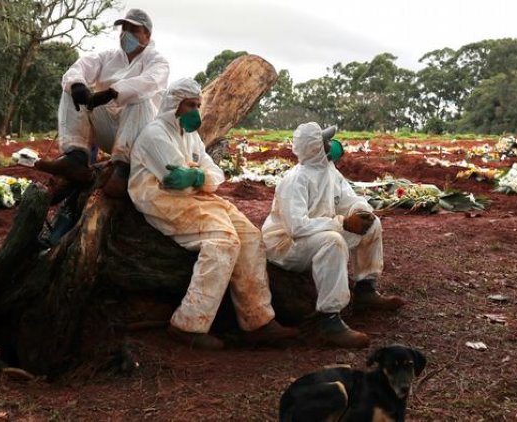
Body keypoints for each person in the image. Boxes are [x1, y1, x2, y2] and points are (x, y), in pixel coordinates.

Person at [128, 78, 298, 350]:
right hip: (160, 199)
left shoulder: (190, 136)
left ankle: (257, 320)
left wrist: (196, 175)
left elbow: (217, 176)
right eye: (189, 105)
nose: (195, 110)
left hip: (196, 197)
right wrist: (200, 177)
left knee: (251, 237)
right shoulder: (155, 135)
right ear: (174, 105)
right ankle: (188, 324)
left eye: (198, 104)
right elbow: (176, 184)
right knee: (223, 242)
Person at [262, 122, 405, 349]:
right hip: (285, 246)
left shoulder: (329, 171)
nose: (332, 145)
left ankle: (365, 288)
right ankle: (329, 320)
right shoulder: (295, 180)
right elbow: (297, 228)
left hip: (317, 232)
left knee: (372, 224)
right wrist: (342, 223)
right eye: (326, 141)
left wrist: (361, 212)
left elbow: (349, 199)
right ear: (315, 148)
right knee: (333, 241)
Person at [35, 8, 170, 198]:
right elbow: (79, 68)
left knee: (140, 98)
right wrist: (78, 85)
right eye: (124, 28)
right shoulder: (108, 57)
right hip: (111, 133)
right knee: (72, 89)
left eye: (133, 30)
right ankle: (76, 158)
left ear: (147, 35)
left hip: (141, 137)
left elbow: (150, 82)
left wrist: (113, 92)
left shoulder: (157, 61)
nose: (126, 34)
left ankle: (122, 170)